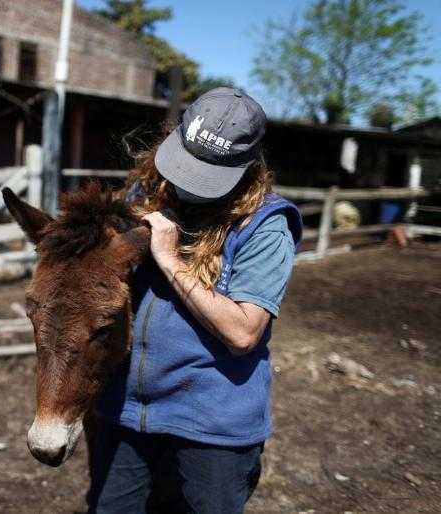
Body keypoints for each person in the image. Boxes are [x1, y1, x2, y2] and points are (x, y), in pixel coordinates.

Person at [90, 88, 303, 514]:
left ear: (247, 168)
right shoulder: (145, 195)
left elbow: (243, 333)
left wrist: (169, 259)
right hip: (128, 412)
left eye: (206, 175)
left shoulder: (265, 226)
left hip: (211, 423)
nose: (186, 184)